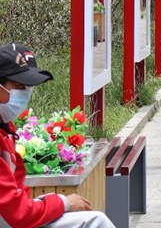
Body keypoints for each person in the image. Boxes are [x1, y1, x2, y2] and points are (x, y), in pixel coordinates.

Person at [0, 42, 116, 228]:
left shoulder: (6, 128)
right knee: (95, 222)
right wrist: (64, 203)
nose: (25, 94)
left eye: (28, 88)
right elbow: (17, 214)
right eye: (19, 86)